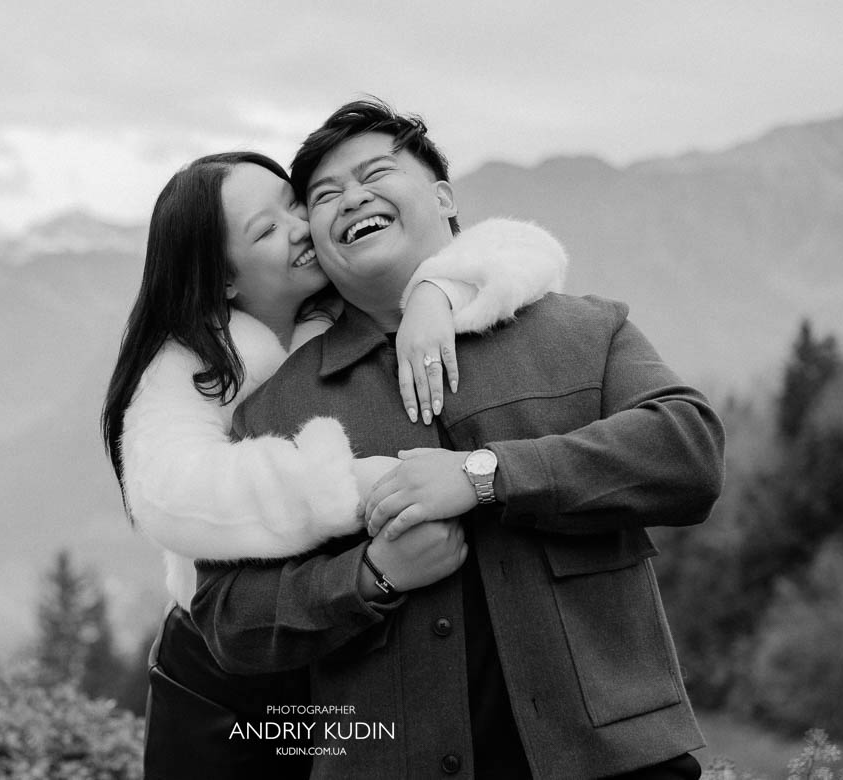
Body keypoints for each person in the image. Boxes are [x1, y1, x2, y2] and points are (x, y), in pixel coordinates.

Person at [190, 100, 726, 779]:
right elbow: (227, 617)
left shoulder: (584, 330)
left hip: (622, 766)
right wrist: (367, 576)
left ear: (444, 196)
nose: (351, 197)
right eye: (323, 195)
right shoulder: (276, 411)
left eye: (375, 172)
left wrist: (484, 475)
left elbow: (689, 451)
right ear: (318, 245)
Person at [101, 150, 568, 778]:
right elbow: (172, 493)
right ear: (223, 281)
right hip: (230, 670)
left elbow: (523, 251)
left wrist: (437, 289)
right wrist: (362, 484)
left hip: (350, 649)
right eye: (265, 231)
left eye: (294, 204)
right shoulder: (191, 364)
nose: (299, 228)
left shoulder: (342, 304)